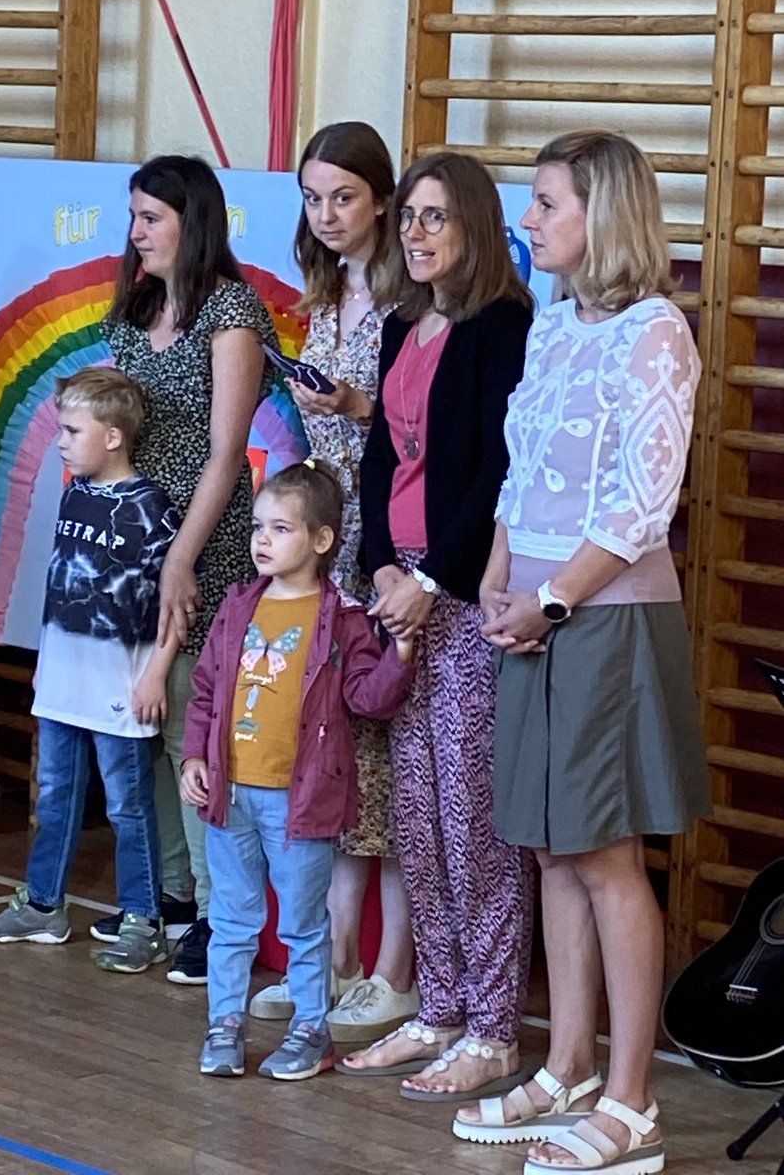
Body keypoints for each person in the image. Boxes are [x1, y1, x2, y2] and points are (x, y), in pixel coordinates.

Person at [458, 130, 710, 1175]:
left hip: (602, 616)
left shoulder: (657, 333)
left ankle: (631, 1101)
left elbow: (642, 506)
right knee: (554, 847)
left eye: (547, 203)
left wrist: (552, 601)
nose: (530, 220)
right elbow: (523, 477)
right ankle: (563, 1067)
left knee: (607, 857)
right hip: (535, 606)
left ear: (601, 214)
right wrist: (498, 573)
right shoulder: (555, 328)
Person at [339, 153, 535, 1099]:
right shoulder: (403, 324)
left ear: (475, 229)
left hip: (460, 598)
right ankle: (440, 1007)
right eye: (409, 218)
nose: (414, 235)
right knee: (417, 818)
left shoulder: (505, 324)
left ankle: (494, 1028)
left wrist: (430, 576)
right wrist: (380, 562)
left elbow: (500, 470)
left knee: (473, 824)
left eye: (433, 219)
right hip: (399, 595)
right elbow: (382, 457)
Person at [248, 121, 419, 1042]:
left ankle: (394, 972)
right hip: (327, 533)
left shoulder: (406, 294)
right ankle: (336, 958)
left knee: (388, 762)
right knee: (338, 760)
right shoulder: (326, 294)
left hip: (386, 537)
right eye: (314, 199)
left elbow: (406, 421)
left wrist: (351, 403)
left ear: (382, 199)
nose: (328, 215)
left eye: (344, 198)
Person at [95, 155, 277, 984]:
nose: (136, 234)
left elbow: (226, 453)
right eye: (133, 218)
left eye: (151, 219)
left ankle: (215, 909)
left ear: (191, 222)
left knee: (191, 729)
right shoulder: (134, 310)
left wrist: (180, 557)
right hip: (134, 537)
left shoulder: (231, 311)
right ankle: (169, 892)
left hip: (207, 540)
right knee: (144, 727)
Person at [181, 460, 415, 1080]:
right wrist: (196, 756)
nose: (261, 540)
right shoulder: (237, 606)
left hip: (300, 802)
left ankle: (311, 1029)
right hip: (230, 796)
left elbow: (369, 698)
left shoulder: (342, 620)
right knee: (231, 919)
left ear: (320, 540)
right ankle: (225, 1023)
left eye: (279, 528)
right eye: (259, 526)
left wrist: (402, 653)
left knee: (306, 923)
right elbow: (207, 690)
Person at [0, 367, 180, 973]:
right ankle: (43, 906)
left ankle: (143, 919)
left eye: (71, 430)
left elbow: (170, 602)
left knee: (127, 805)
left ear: (113, 436)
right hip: (63, 678)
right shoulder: (74, 492)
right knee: (57, 795)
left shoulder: (150, 507)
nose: (60, 440)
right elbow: (60, 586)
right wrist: (44, 663)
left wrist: (154, 673)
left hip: (119, 683)